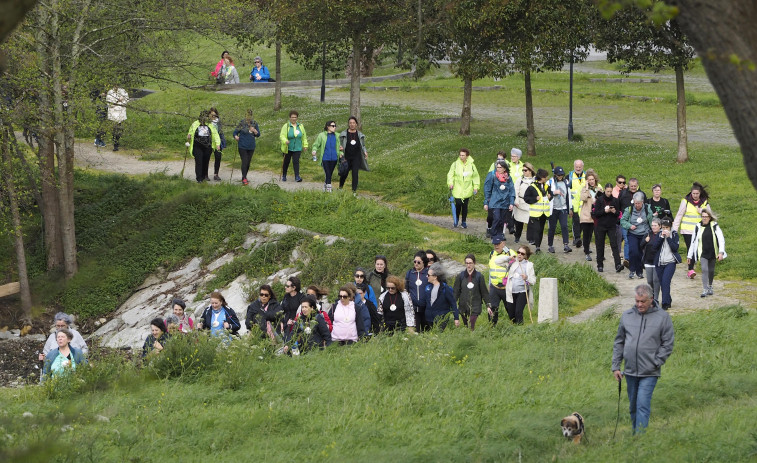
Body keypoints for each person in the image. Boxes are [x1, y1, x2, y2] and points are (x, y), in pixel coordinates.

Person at [612, 284, 674, 435]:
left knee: (642, 405)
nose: (639, 304)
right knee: (633, 406)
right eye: (637, 301)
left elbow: (668, 343)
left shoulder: (663, 317)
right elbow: (619, 341)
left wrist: (656, 361)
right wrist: (616, 366)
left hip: (650, 371)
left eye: (643, 301)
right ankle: (635, 435)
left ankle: (640, 439)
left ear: (651, 299)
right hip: (630, 371)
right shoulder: (627, 316)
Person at [673, 182, 710, 279]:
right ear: (691, 193)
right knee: (691, 249)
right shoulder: (685, 201)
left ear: (700, 193)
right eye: (693, 193)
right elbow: (679, 215)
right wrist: (674, 230)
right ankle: (690, 270)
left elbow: (710, 215)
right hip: (687, 231)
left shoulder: (704, 202)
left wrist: (701, 211)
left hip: (700, 230)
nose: (695, 195)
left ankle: (699, 265)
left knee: (699, 249)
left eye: (697, 194)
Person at [687, 208, 726, 297]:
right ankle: (705, 289)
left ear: (709, 217)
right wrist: (690, 256)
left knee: (711, 270)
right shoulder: (698, 226)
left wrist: (721, 252)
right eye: (702, 216)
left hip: (713, 252)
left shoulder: (714, 226)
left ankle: (710, 286)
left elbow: (721, 239)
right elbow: (693, 242)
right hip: (702, 253)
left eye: (706, 216)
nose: (704, 218)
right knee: (704, 270)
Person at [620, 192, 654, 279]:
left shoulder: (647, 209)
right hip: (633, 234)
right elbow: (622, 221)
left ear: (642, 202)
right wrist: (630, 226)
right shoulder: (629, 209)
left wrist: (652, 231)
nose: (637, 205)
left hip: (644, 234)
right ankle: (632, 270)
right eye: (635, 203)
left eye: (638, 203)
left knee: (640, 253)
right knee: (633, 251)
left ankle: (639, 272)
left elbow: (651, 221)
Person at [650, 218, 681, 310]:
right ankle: (668, 299)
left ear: (670, 227)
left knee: (666, 281)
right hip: (659, 263)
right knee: (662, 283)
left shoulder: (674, 235)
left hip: (670, 262)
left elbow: (675, 248)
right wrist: (661, 237)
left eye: (667, 227)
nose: (665, 230)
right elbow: (654, 247)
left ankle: (665, 304)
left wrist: (668, 238)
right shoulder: (659, 234)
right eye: (663, 227)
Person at [592, 182, 623, 273]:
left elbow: (618, 214)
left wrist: (614, 211)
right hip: (601, 225)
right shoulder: (600, 200)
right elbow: (596, 213)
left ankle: (618, 264)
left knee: (614, 244)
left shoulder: (615, 200)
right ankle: (600, 265)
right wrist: (604, 211)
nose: (609, 193)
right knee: (600, 245)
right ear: (605, 190)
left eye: (610, 191)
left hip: (611, 226)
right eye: (607, 191)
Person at [453, 254, 489, 330]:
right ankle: (468, 337)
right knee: (466, 325)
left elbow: (484, 292)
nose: (468, 265)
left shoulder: (479, 276)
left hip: (475, 304)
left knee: (471, 324)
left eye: (470, 263)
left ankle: (472, 335)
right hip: (463, 304)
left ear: (474, 263)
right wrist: (453, 303)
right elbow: (456, 291)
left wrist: (488, 305)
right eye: (467, 263)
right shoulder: (460, 276)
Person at [487, 236, 517, 326]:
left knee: (510, 308)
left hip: (506, 287)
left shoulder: (511, 253)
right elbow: (490, 270)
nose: (496, 246)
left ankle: (515, 325)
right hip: (494, 286)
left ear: (503, 243)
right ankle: (492, 326)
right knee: (492, 308)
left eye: (498, 244)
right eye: (494, 244)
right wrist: (489, 284)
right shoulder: (492, 254)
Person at [447, 148, 480, 228]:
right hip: (457, 189)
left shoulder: (472, 165)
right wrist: (450, 183)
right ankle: (456, 219)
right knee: (458, 204)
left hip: (467, 189)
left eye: (463, 155)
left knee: (465, 206)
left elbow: (475, 176)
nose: (461, 157)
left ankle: (464, 221)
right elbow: (450, 174)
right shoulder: (455, 164)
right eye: (460, 155)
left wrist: (476, 187)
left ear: (467, 156)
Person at [483, 160, 515, 242]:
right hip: (495, 202)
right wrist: (486, 202)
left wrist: (511, 202)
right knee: (496, 218)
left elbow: (512, 191)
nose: (498, 169)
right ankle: (493, 234)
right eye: (497, 167)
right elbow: (487, 189)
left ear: (504, 168)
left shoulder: (508, 178)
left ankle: (500, 235)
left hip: (505, 202)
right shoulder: (492, 175)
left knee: (502, 220)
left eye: (500, 167)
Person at [618, 178, 646, 267]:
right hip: (626, 221)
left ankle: (639, 260)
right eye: (631, 186)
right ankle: (627, 259)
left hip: (638, 222)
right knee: (627, 240)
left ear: (637, 185)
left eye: (635, 186)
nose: (633, 188)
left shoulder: (642, 194)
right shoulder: (623, 193)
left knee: (639, 242)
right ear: (628, 186)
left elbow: (645, 207)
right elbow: (619, 205)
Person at [523, 168, 553, 253]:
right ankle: (537, 247)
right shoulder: (532, 187)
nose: (546, 178)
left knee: (541, 230)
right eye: (545, 177)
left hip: (544, 213)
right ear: (541, 177)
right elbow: (526, 198)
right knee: (536, 229)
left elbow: (550, 196)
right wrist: (535, 199)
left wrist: (550, 197)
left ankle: (538, 245)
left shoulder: (547, 187)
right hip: (535, 213)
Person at [187, 110, 221, 183]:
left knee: (205, 162)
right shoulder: (195, 124)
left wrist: (218, 144)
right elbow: (191, 130)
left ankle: (203, 176)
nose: (204, 119)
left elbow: (215, 134)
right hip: (197, 146)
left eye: (206, 117)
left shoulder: (209, 125)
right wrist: (189, 134)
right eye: (203, 117)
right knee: (199, 161)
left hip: (207, 147)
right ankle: (199, 179)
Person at [505, 245, 536, 324]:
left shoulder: (529, 265)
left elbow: (533, 281)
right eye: (518, 252)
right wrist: (509, 258)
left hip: (522, 292)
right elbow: (497, 262)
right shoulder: (512, 262)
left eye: (522, 253)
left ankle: (520, 328)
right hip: (511, 291)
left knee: (518, 312)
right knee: (511, 314)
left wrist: (526, 278)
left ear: (526, 256)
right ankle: (515, 329)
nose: (519, 254)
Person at [423, 263, 459, 330]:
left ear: (435, 277)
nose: (427, 276)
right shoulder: (428, 287)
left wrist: (456, 318)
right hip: (429, 319)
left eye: (428, 275)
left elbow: (453, 303)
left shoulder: (445, 288)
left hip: (441, 319)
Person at [338, 116, 369, 193]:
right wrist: (340, 151)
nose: (352, 124)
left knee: (355, 174)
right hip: (346, 157)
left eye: (353, 123)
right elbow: (339, 144)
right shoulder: (343, 134)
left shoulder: (360, 135)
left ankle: (354, 191)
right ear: (348, 124)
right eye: (350, 123)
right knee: (344, 173)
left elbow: (363, 145)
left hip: (356, 157)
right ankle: (340, 187)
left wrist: (365, 151)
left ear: (356, 124)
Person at [546, 166, 573, 253]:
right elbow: (546, 193)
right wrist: (554, 192)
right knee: (552, 227)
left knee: (564, 226)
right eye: (558, 175)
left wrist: (570, 208)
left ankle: (566, 245)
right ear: (555, 175)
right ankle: (550, 245)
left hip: (563, 208)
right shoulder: (550, 182)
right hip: (553, 209)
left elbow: (569, 195)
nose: (560, 177)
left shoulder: (566, 182)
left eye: (561, 175)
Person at [232, 109, 261, 185]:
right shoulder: (242, 123)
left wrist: (255, 131)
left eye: (250, 116)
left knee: (248, 162)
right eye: (247, 115)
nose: (248, 117)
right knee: (244, 161)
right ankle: (244, 177)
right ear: (245, 115)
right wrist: (236, 137)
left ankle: (245, 176)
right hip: (242, 145)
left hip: (251, 146)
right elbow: (235, 132)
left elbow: (258, 135)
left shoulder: (254, 123)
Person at [279, 110, 308, 182]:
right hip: (288, 147)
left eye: (295, 117)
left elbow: (304, 136)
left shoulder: (300, 126)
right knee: (286, 162)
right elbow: (282, 135)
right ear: (289, 118)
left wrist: (305, 145)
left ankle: (297, 176)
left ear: (297, 118)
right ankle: (284, 175)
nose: (294, 119)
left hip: (297, 147)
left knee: (296, 162)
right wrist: (285, 140)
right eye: (292, 117)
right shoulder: (286, 126)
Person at [311, 120, 339, 192]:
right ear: (328, 127)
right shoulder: (321, 135)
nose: (334, 127)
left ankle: (325, 185)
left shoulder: (337, 136)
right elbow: (316, 144)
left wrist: (341, 153)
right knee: (328, 173)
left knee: (330, 174)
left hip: (334, 158)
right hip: (325, 158)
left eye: (335, 126)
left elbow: (341, 147)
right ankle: (329, 188)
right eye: (333, 126)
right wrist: (314, 150)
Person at [578, 169, 600, 262]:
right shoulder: (584, 189)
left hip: (596, 216)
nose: (591, 181)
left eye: (592, 179)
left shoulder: (598, 189)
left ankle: (599, 253)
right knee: (586, 235)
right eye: (589, 179)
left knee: (595, 235)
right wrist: (587, 188)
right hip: (586, 216)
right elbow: (583, 198)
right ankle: (586, 252)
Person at [405, 251, 429, 331]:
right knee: (416, 332)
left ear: (424, 262)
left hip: (426, 308)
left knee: (427, 331)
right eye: (414, 261)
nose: (416, 264)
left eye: (418, 262)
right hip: (414, 309)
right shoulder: (410, 273)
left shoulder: (428, 273)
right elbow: (406, 289)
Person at [512, 162, 535, 244]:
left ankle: (531, 238)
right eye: (523, 170)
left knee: (531, 222)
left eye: (525, 170)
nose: (524, 172)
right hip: (521, 204)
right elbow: (515, 191)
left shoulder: (535, 180)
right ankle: (517, 236)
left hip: (531, 204)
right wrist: (516, 200)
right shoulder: (520, 180)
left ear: (530, 171)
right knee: (519, 222)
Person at [486, 151, 507, 236]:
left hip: (504, 198)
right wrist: (487, 199)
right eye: (498, 159)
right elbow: (488, 185)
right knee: (491, 216)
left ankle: (501, 233)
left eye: (501, 159)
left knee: (502, 218)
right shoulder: (493, 169)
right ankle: (489, 227)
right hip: (493, 197)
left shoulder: (507, 169)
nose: (499, 160)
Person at [643, 219, 663, 305]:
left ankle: (656, 299)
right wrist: (645, 241)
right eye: (652, 225)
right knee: (650, 281)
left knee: (656, 280)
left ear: (660, 226)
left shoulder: (661, 235)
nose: (653, 227)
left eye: (655, 225)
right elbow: (641, 245)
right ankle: (651, 296)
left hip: (657, 261)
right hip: (648, 260)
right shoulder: (648, 234)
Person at [568, 159, 586, 248]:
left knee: (582, 222)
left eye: (580, 167)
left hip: (584, 205)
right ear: (574, 167)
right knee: (576, 222)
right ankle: (577, 239)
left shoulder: (586, 176)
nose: (578, 168)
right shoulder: (570, 176)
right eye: (576, 167)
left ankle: (579, 238)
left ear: (582, 167)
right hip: (574, 204)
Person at [106, 86, 128, 152]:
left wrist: (120, 102)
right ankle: (115, 145)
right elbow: (110, 104)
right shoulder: (110, 92)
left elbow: (126, 101)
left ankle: (117, 143)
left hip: (121, 113)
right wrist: (118, 100)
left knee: (119, 129)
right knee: (114, 129)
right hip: (113, 113)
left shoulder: (123, 91)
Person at [209, 107, 227, 181]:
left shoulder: (218, 122)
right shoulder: (207, 122)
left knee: (218, 157)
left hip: (217, 142)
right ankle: (205, 174)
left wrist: (223, 143)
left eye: (214, 114)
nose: (213, 116)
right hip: (209, 142)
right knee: (207, 158)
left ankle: (216, 174)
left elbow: (221, 132)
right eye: (211, 114)